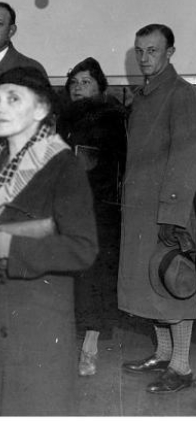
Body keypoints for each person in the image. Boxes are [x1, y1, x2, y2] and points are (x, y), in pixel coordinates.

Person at [0, 66, 98, 415]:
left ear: (41, 109)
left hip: (36, 325)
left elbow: (83, 248)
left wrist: (6, 248)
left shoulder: (63, 165)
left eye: (12, 99)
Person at [119, 24, 196, 394]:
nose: (145, 58)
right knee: (149, 283)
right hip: (139, 210)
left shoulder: (182, 95)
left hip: (165, 210)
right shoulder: (145, 95)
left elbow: (185, 160)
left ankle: (181, 367)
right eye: (140, 51)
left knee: (173, 282)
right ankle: (164, 353)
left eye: (153, 51)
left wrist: (173, 216)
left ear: (170, 52)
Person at [57, 58, 127, 377]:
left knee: (94, 282)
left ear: (100, 86)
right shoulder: (63, 118)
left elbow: (107, 165)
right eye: (74, 82)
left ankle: (90, 350)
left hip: (99, 212)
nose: (79, 87)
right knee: (72, 281)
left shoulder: (111, 116)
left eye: (86, 82)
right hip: (68, 210)